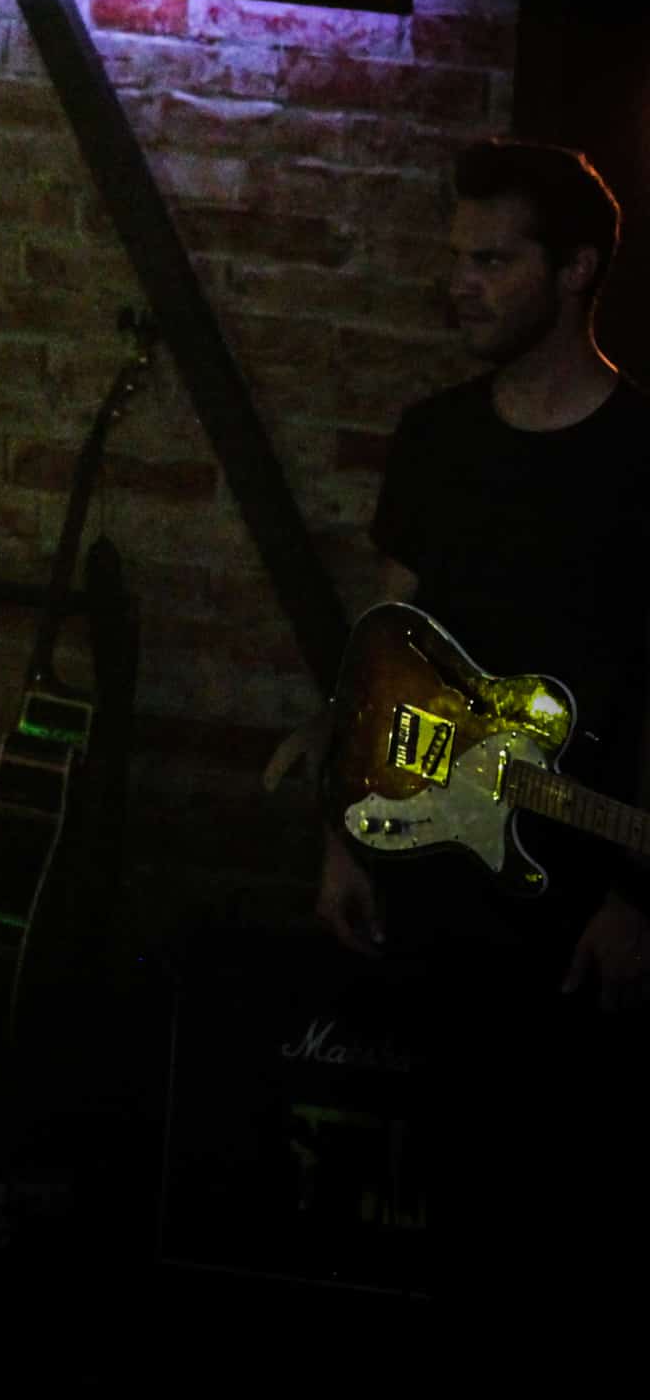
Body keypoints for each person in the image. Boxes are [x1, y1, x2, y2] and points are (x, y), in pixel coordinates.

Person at [306, 139, 649, 1332]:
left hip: (575, 906)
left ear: (576, 269)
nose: (460, 282)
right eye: (457, 256)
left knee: (554, 1221)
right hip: (427, 881)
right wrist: (344, 834)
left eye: (493, 260)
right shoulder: (437, 437)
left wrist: (636, 896)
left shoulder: (642, 457)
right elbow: (384, 650)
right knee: (415, 1211)